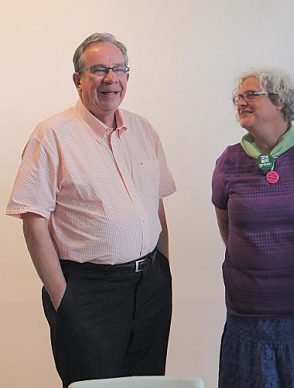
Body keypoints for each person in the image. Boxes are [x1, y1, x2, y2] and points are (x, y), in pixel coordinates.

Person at [6, 33, 176, 387]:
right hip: (88, 292)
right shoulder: (52, 135)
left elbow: (155, 202)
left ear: (128, 76)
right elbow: (33, 220)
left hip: (150, 287)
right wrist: (62, 297)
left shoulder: (143, 130)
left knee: (147, 382)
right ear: (77, 79)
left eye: (118, 69)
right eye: (98, 69)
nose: (110, 79)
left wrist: (163, 268)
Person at [212, 69, 294, 388]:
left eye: (250, 94)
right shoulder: (229, 161)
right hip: (248, 314)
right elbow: (228, 229)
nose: (241, 102)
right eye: (237, 97)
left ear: (280, 101)